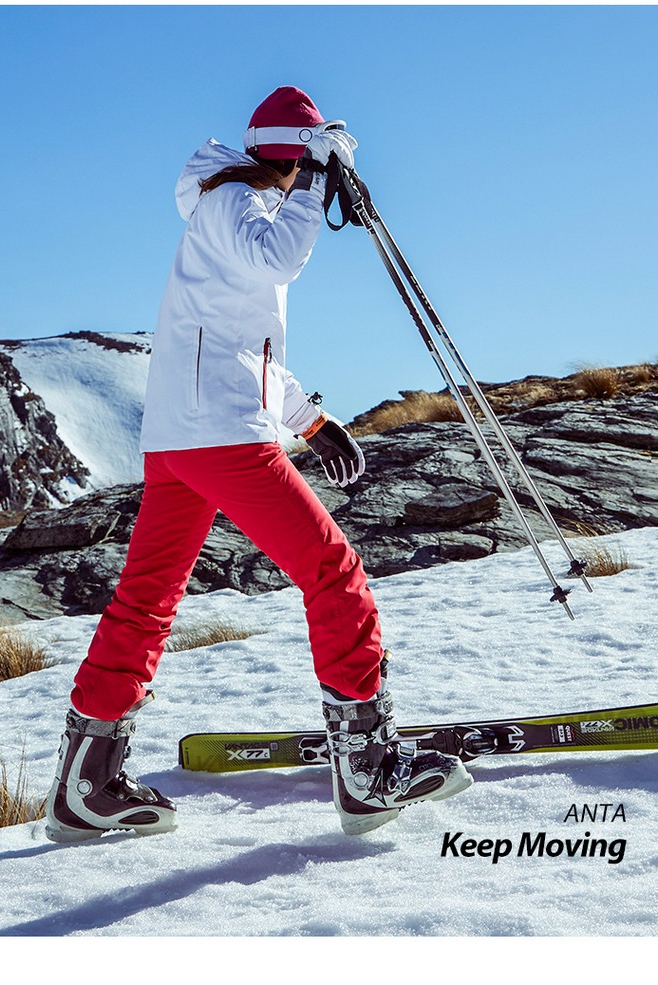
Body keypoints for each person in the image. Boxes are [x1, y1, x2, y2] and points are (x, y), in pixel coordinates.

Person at [45, 86, 472, 843]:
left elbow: (246, 347)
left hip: (188, 435)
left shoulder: (232, 205)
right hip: (219, 434)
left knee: (148, 598)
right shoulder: (233, 203)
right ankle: (369, 770)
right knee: (332, 570)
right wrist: (313, 180)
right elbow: (281, 258)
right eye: (309, 160)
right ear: (291, 156)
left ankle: (88, 781)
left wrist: (310, 417)